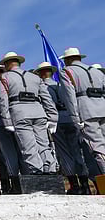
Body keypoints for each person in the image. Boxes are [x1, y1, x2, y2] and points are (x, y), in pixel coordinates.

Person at [0, 52, 58, 175]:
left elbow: (3, 101)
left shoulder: (5, 78)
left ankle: (37, 172)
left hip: (20, 113)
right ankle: (50, 169)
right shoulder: (35, 77)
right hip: (38, 112)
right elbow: (47, 99)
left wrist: (7, 121)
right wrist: (53, 117)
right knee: (43, 144)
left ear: (7, 64)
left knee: (28, 146)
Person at [35, 61, 90, 194]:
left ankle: (74, 185)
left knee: (64, 153)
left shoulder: (43, 87)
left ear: (41, 73)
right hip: (70, 118)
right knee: (76, 151)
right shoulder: (60, 85)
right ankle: (85, 184)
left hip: (56, 121)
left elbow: (47, 104)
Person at [59, 48, 105, 176]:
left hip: (86, 111)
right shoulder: (97, 71)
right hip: (103, 108)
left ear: (67, 59)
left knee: (97, 147)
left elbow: (70, 97)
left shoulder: (67, 71)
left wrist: (75, 118)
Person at [0, 62, 26, 194]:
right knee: (20, 152)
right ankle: (20, 183)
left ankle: (11, 184)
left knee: (6, 156)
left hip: (1, 124)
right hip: (16, 120)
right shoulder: (12, 82)